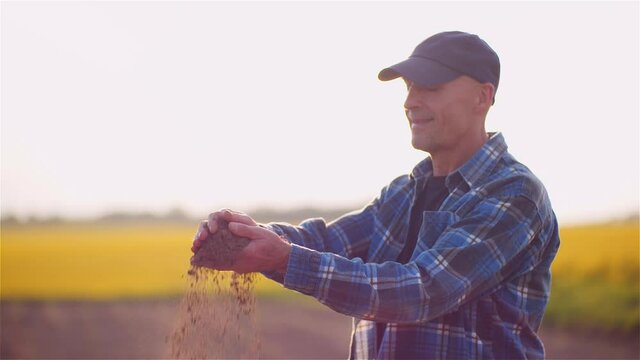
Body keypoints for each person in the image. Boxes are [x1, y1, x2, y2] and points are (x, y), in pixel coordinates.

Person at [191, 31, 560, 359]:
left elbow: (422, 291)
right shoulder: (403, 192)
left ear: (483, 96)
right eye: (409, 87)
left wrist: (285, 260)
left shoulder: (513, 195)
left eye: (430, 87)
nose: (411, 102)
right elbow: (329, 241)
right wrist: (248, 234)